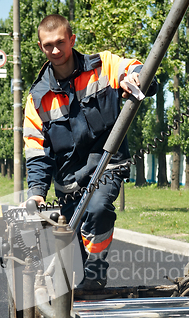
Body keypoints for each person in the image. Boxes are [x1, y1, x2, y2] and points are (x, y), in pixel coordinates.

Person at [23, 14, 157, 290]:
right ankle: (78, 299)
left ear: (72, 39)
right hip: (69, 181)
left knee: (97, 209)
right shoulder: (37, 99)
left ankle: (97, 270)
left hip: (108, 165)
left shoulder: (103, 65)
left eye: (61, 42)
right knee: (73, 254)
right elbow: (37, 150)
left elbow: (137, 69)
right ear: (41, 47)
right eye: (49, 45)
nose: (56, 50)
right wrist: (37, 191)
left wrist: (136, 77)